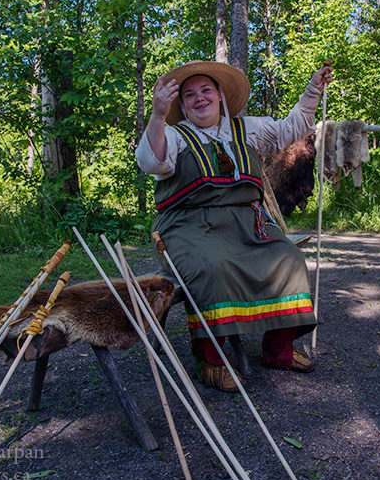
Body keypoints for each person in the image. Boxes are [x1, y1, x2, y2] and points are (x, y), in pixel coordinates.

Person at [136, 60, 333, 392]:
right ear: (181, 105)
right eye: (189, 95)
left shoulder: (248, 129)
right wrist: (156, 115)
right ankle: (210, 360)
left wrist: (314, 88)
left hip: (247, 221)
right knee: (212, 268)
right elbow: (150, 161)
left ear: (220, 95)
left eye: (206, 90)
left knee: (291, 261)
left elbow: (294, 127)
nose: (199, 99)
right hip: (189, 225)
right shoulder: (172, 134)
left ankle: (278, 350)